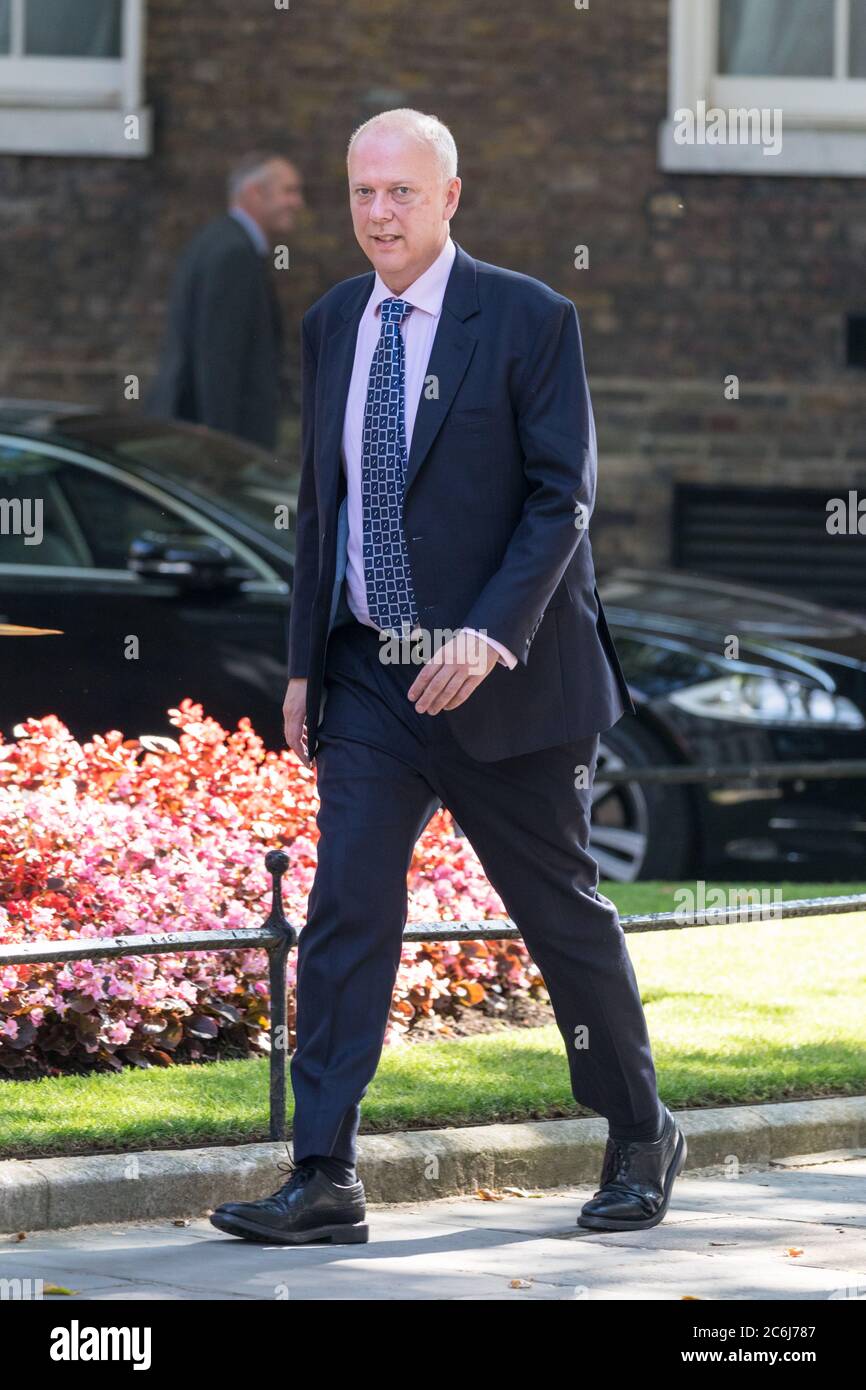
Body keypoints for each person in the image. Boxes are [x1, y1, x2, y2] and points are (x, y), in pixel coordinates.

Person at [210, 109, 686, 1247]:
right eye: (362, 193)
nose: (379, 213)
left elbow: (558, 496)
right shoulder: (332, 321)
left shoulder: (526, 317)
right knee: (346, 906)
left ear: (450, 197)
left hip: (505, 681)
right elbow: (321, 511)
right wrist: (298, 666)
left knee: (557, 913)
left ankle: (637, 1129)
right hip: (372, 677)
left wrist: (488, 633)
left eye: (401, 194)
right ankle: (323, 1170)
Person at [146, 152, 304, 450]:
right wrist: (221, 449)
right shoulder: (234, 253)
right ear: (255, 193)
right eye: (289, 191)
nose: (297, 203)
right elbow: (219, 358)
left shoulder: (219, 240)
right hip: (220, 439)